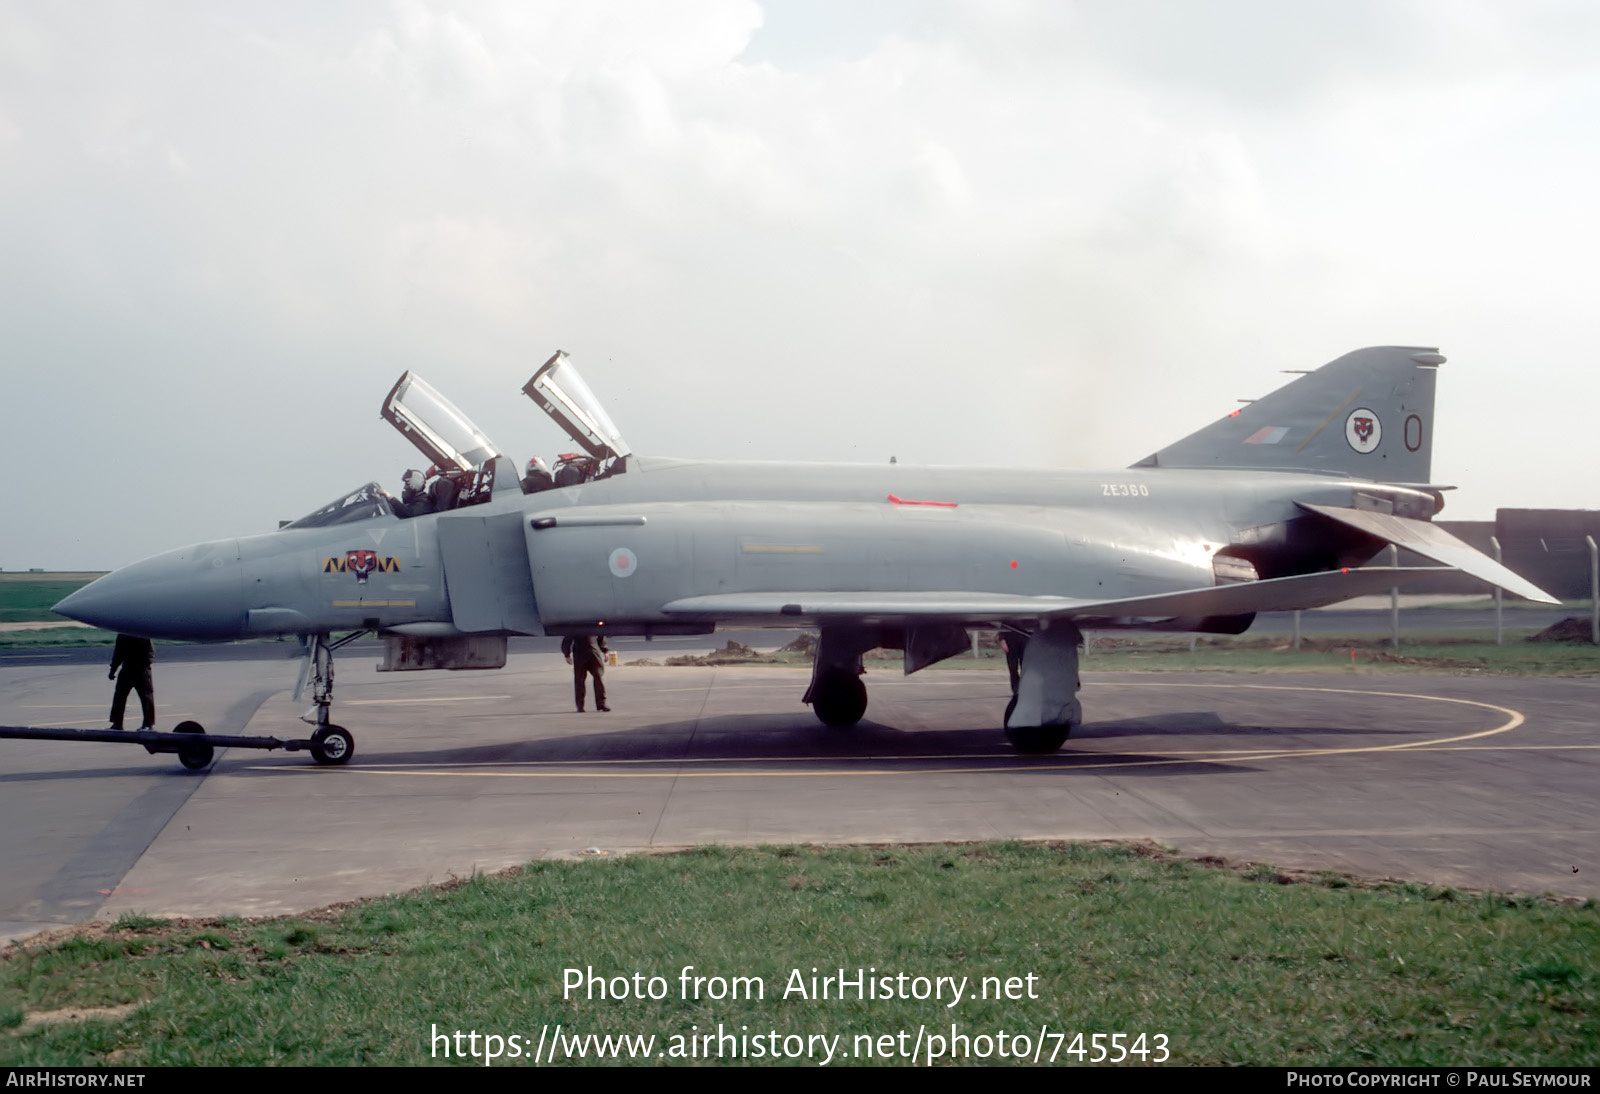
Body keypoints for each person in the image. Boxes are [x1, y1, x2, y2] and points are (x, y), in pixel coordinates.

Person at [108, 633, 155, 731]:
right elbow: (118, 654)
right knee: (120, 697)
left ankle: (148, 723)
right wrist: (113, 670)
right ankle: (117, 723)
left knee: (146, 697)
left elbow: (150, 653)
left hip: (141, 670)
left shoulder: (140, 634)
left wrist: (145, 667)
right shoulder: (124, 635)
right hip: (128, 669)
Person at [561, 634, 610, 712]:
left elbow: (601, 636)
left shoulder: (594, 624)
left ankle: (601, 704)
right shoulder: (575, 625)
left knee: (598, 678)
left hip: (593, 653)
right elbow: (568, 637)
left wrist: (605, 651)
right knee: (579, 680)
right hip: (579, 653)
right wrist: (567, 654)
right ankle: (580, 706)